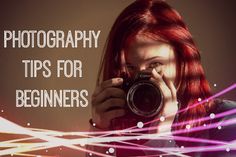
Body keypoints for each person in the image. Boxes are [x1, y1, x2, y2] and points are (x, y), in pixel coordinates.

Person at [87, 0, 236, 156]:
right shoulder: (121, 127)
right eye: (130, 67)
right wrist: (99, 133)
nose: (143, 78)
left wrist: (161, 138)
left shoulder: (226, 120)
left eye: (155, 64)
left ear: (182, 61)